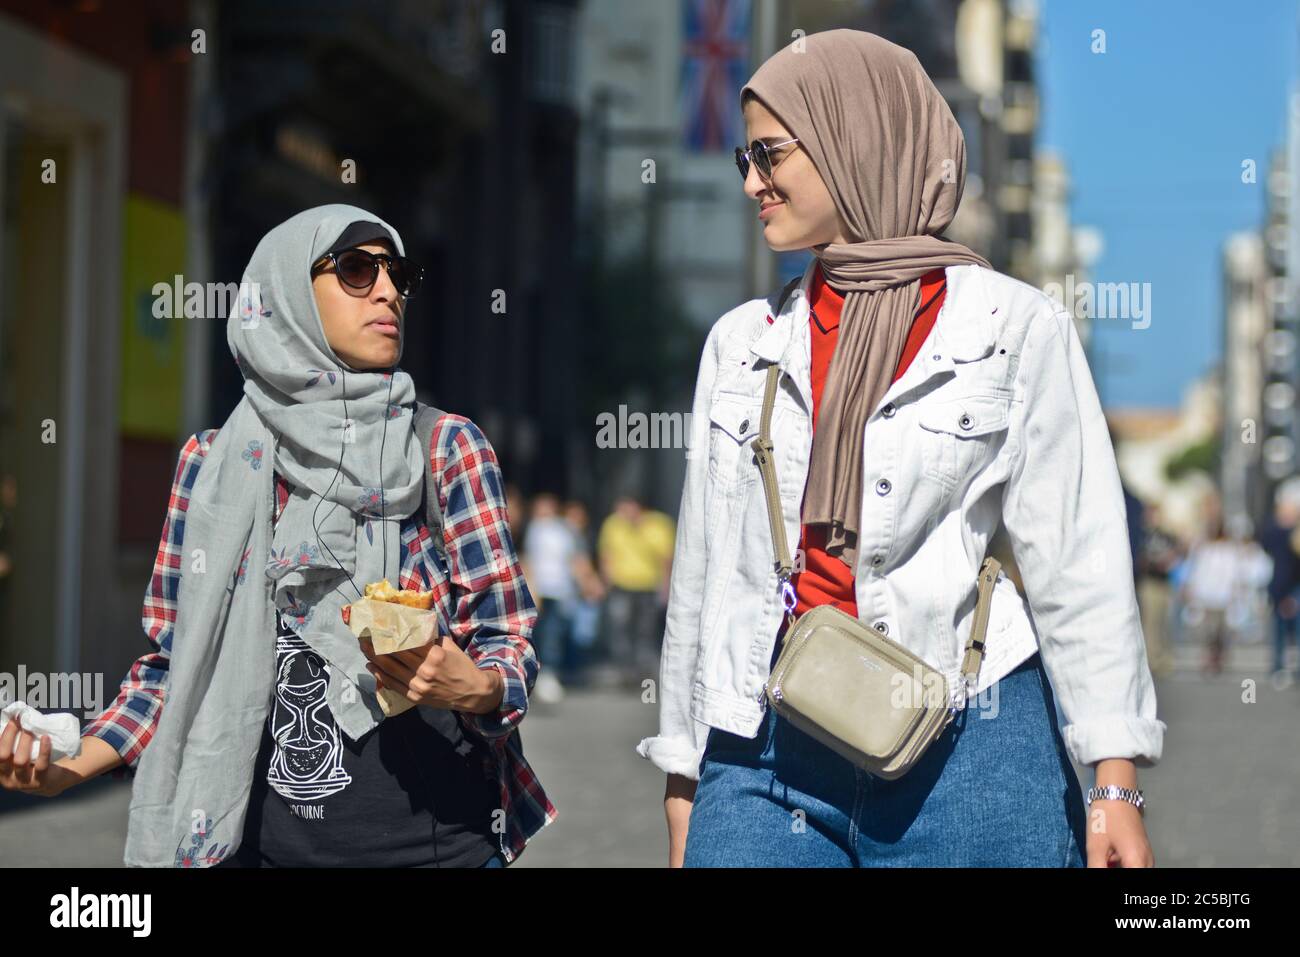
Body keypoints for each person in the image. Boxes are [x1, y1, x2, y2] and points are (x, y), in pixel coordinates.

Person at [637, 30, 1164, 868]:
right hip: (765, 749)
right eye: (744, 155)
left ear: (857, 140)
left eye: (769, 154)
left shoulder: (1011, 326)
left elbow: (1079, 560)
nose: (749, 181)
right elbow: (703, 571)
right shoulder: (743, 343)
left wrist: (1114, 780)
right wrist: (682, 771)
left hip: (970, 747)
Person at [0, 205, 557, 867]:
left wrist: (480, 685)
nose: (387, 291)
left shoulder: (445, 449)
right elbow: (174, 671)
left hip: (435, 847)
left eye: (397, 274)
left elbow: (507, 638)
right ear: (287, 294)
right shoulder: (211, 466)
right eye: (355, 269)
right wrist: (66, 765)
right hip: (259, 850)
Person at [598, 494, 675, 687]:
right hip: (621, 585)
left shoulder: (658, 524)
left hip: (647, 586)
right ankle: (624, 670)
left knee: (645, 630)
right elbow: (606, 553)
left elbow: (666, 558)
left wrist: (666, 585)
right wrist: (605, 581)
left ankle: (644, 671)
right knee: (619, 628)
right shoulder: (613, 524)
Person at [1259, 478, 1300, 689]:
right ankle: (1277, 667)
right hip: (1279, 587)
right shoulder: (1275, 530)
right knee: (1279, 632)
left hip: (1294, 588)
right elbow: (1265, 541)